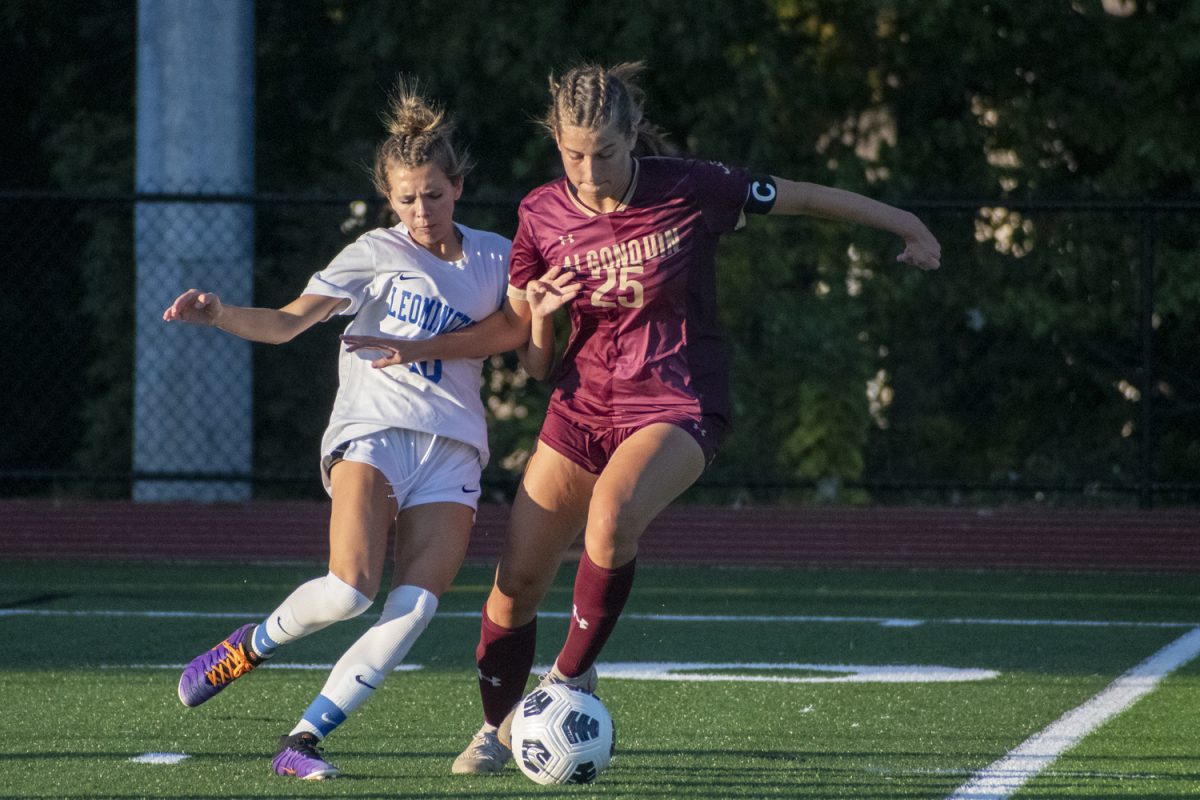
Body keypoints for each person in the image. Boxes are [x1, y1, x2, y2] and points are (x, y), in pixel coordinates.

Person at [342, 61, 942, 775]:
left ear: (633, 137)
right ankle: (494, 727)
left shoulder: (692, 187)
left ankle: (563, 684)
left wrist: (906, 223)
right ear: (555, 143)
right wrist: (543, 319)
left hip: (677, 400)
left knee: (612, 516)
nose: (588, 170)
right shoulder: (539, 214)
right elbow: (536, 366)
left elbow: (803, 197)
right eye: (572, 154)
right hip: (580, 408)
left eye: (605, 152)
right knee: (516, 585)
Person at [163, 81, 559, 780]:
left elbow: (522, 343)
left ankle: (303, 742)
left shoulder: (500, 255)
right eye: (406, 198)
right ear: (390, 199)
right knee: (350, 590)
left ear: (459, 186)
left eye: (432, 194)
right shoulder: (374, 253)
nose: (420, 210)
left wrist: (470, 336)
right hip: (373, 431)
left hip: (454, 450)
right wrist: (219, 313)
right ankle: (247, 646)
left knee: (412, 612)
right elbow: (289, 322)